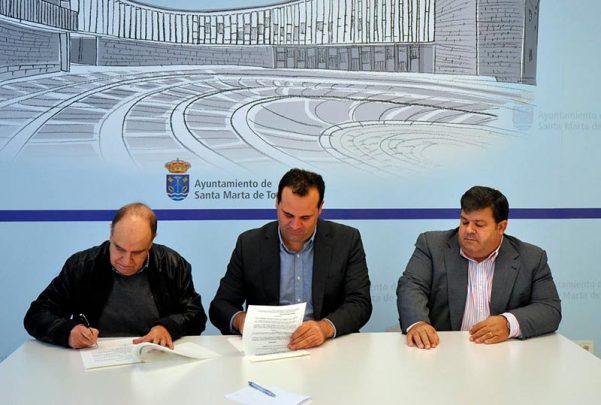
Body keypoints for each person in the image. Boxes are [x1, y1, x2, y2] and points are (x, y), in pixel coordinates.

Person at [209, 168, 372, 350]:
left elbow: (360, 303)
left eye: (305, 217)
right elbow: (220, 305)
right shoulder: (249, 244)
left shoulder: (346, 240)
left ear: (320, 209)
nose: (295, 225)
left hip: (326, 346)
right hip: (267, 350)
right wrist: (241, 321)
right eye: (288, 215)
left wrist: (324, 328)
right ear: (276, 202)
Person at [397, 186, 561, 349]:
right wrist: (418, 323)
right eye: (464, 222)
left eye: (479, 225)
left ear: (501, 227)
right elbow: (411, 286)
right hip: (443, 350)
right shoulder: (432, 246)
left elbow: (549, 308)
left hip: (502, 352)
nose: (469, 230)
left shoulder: (531, 258)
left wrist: (508, 323)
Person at [24, 202, 207, 349]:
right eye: (119, 248)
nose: (126, 261)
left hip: (154, 356)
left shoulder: (172, 264)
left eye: (137, 252)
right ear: (111, 233)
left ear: (152, 241)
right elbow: (37, 314)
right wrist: (68, 331)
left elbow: (195, 315)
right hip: (94, 358)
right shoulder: (82, 265)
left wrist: (167, 327)